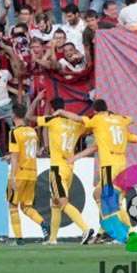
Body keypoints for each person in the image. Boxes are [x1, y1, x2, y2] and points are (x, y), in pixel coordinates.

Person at [61, 99, 137, 241]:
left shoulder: (97, 120)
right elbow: (135, 130)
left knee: (110, 201)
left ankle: (129, 232)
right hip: (123, 166)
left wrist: (61, 112)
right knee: (98, 194)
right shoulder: (120, 121)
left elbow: (79, 119)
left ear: (96, 111)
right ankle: (105, 230)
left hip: (109, 167)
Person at [37, 98, 96, 245]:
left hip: (57, 168)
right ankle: (52, 239)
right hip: (69, 168)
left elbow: (30, 118)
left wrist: (40, 101)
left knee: (62, 202)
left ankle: (85, 229)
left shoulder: (53, 121)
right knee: (55, 203)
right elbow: (87, 123)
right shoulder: (75, 125)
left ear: (53, 109)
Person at [6, 103, 48, 245]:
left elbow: (16, 156)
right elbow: (33, 151)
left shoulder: (14, 132)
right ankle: (43, 223)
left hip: (20, 173)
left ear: (13, 115)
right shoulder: (32, 131)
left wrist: (12, 175)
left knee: (13, 206)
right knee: (26, 207)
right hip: (32, 172)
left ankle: (18, 239)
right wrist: (10, 155)